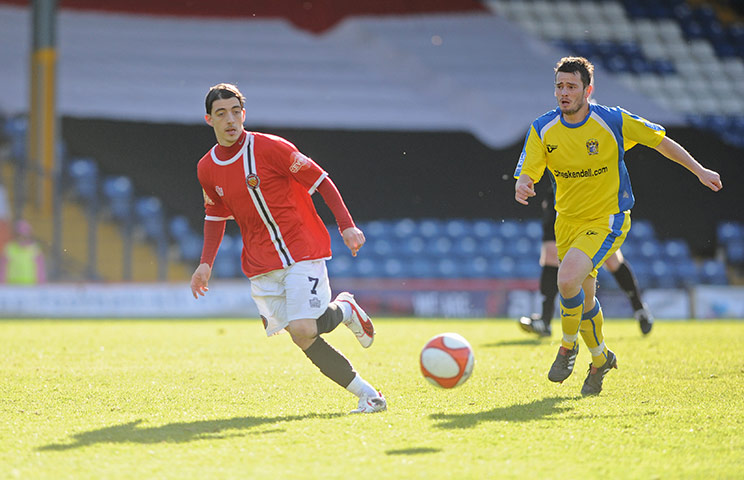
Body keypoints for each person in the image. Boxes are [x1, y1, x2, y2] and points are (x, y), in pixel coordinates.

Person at [513, 57, 722, 396]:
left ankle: (567, 348)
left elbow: (660, 140)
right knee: (583, 302)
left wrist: (699, 170)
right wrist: (523, 183)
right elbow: (528, 168)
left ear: (587, 90)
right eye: (559, 86)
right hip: (566, 221)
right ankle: (601, 360)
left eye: (571, 87)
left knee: (567, 280)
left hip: (607, 218)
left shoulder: (611, 120)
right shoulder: (543, 128)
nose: (564, 93)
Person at [190, 83, 385, 413]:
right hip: (262, 261)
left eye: (236, 112)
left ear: (244, 114)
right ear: (209, 120)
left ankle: (365, 380)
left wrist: (346, 224)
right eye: (221, 114)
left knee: (303, 327)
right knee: (303, 335)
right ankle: (363, 376)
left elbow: (321, 180)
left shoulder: (270, 148)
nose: (230, 120)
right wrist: (205, 263)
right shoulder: (206, 168)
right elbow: (215, 215)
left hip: (302, 248)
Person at [518, 182, 654, 337]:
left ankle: (639, 308)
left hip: (589, 192)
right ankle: (545, 321)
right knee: (550, 254)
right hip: (560, 193)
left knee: (611, 259)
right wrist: (527, 177)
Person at [0, 219, 46, 284]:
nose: (22, 238)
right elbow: (3, 267)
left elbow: (40, 268)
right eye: (20, 235)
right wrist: (2, 282)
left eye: (25, 235)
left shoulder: (35, 249)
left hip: (30, 284)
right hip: (12, 284)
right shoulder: (9, 248)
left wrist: (41, 282)